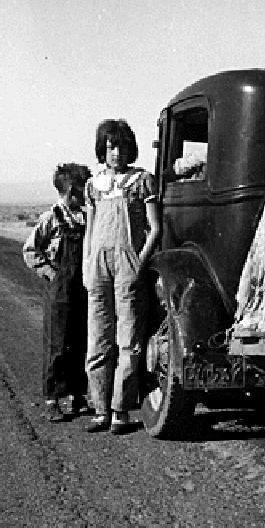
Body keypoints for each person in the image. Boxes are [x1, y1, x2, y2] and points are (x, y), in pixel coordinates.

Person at [83, 119, 161, 435]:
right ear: (103, 149)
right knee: (98, 340)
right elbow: (90, 231)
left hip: (128, 264)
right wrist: (89, 266)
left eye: (122, 146)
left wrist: (139, 265)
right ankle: (100, 409)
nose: (117, 153)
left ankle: (120, 410)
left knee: (128, 340)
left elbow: (155, 229)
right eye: (111, 146)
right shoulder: (94, 185)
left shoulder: (142, 181)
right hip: (98, 266)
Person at [23, 163, 92, 422]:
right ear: (73, 191)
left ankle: (77, 394)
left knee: (80, 341)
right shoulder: (50, 218)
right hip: (59, 291)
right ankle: (52, 398)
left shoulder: (86, 217)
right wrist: (52, 275)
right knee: (57, 344)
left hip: (82, 288)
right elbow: (30, 251)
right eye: (84, 188)